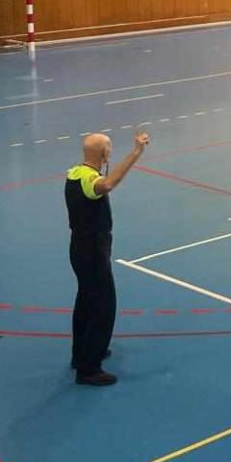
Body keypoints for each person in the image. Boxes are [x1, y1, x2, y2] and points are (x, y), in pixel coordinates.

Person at [66, 130, 149, 386]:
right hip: (93, 250)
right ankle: (89, 368)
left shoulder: (74, 173)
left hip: (79, 248)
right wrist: (135, 153)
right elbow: (106, 185)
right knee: (103, 306)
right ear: (104, 153)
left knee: (86, 301)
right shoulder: (90, 180)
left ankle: (81, 354)